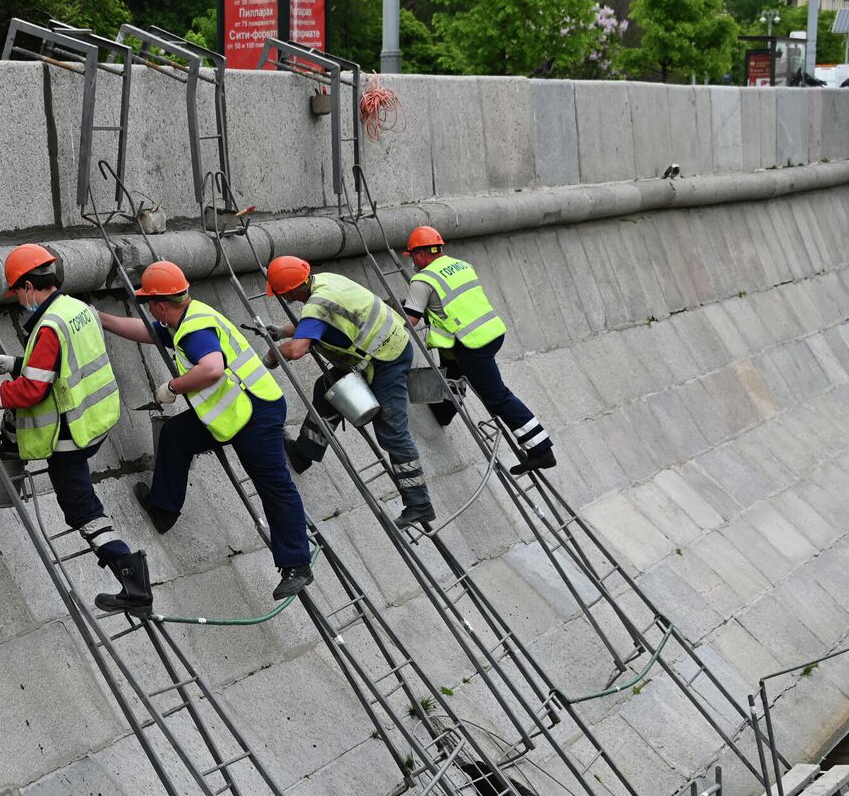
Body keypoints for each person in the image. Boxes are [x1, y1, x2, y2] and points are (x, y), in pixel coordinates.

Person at [0, 244, 152, 614]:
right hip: (95, 420)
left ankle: (131, 577)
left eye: (18, 292)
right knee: (68, 485)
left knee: (80, 510)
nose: (19, 300)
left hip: (68, 433)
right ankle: (8, 450)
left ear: (27, 286)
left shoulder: (49, 326)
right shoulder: (77, 310)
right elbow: (62, 366)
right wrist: (14, 363)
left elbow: (29, 391)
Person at [100, 261, 315, 601]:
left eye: (150, 306)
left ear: (158, 305)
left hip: (255, 414)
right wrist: (102, 319)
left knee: (273, 485)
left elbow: (212, 369)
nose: (150, 313)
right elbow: (147, 332)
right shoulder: (186, 317)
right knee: (175, 436)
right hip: (234, 413)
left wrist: (173, 386)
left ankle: (296, 565)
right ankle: (164, 509)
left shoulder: (193, 330)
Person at [260, 256, 437, 528]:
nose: (287, 299)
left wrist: (273, 355)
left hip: (385, 360)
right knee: (327, 387)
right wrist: (284, 330)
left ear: (292, 290)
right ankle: (304, 453)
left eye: (284, 294)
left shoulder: (317, 303)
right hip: (387, 349)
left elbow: (298, 349)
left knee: (392, 431)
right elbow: (320, 321)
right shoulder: (327, 281)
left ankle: (419, 503)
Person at [403, 227, 555, 477]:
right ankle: (443, 411)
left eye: (412, 256)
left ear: (420, 254)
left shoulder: (423, 280)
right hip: (490, 333)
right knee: (453, 370)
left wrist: (392, 310)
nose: (412, 262)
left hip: (472, 343)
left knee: (497, 397)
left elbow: (411, 320)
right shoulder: (462, 266)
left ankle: (541, 450)